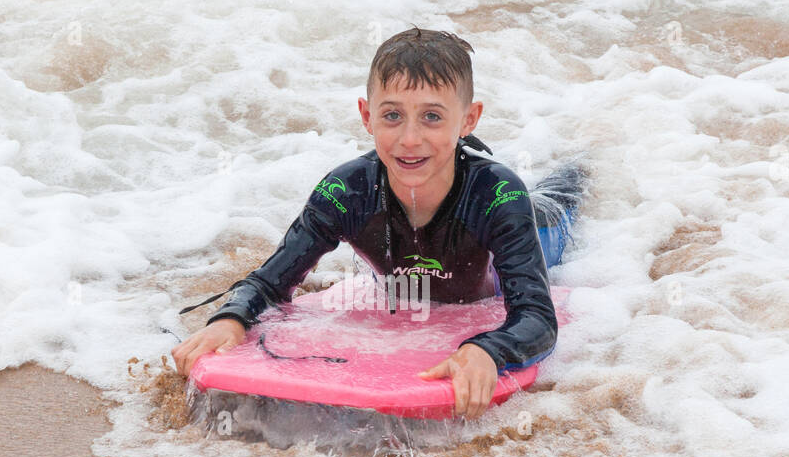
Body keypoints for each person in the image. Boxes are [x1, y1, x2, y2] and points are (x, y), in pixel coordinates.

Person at [172, 27, 584, 420]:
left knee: (560, 197)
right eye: (392, 116)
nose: (409, 139)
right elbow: (269, 282)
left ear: (469, 120)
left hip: (535, 236)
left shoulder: (497, 195)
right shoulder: (346, 191)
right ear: (366, 116)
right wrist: (231, 318)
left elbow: (536, 316)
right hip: (420, 287)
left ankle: (580, 166)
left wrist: (488, 349)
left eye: (432, 118)